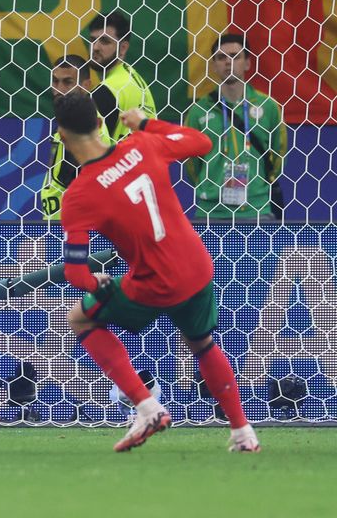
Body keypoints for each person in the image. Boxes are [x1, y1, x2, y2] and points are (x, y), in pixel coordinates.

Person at [56, 92, 260, 453]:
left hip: (153, 284)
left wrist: (94, 282)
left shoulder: (78, 196)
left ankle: (147, 406)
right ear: (102, 123)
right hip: (196, 267)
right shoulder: (143, 143)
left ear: (60, 135)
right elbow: (201, 141)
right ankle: (243, 433)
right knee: (202, 343)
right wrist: (146, 123)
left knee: (80, 319)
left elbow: (75, 273)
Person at [185, 33, 287, 221]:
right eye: (221, 57)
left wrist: (259, 187)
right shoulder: (198, 111)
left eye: (235, 56)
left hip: (256, 210)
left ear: (247, 63)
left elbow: (278, 153)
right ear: (214, 65)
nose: (228, 62)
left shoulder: (268, 106)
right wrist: (207, 186)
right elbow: (190, 162)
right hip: (210, 213)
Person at [40, 54, 110, 221]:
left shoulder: (85, 135)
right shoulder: (70, 124)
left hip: (72, 235)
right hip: (57, 232)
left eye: (68, 82)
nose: (59, 90)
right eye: (55, 81)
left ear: (86, 86)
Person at [87, 12, 156, 143]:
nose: (95, 47)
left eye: (105, 41)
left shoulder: (107, 90)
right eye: (92, 40)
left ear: (123, 48)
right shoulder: (135, 78)